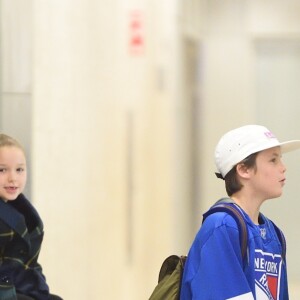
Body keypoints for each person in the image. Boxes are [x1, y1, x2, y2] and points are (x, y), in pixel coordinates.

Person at [180, 124, 300, 300]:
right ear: (244, 169)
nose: (283, 167)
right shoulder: (221, 227)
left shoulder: (274, 234)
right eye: (273, 160)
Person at [0, 134, 62, 300]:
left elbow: (27, 261)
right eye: (2, 170)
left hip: (22, 286)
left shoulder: (21, 209)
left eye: (19, 169)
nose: (13, 178)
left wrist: (39, 289)